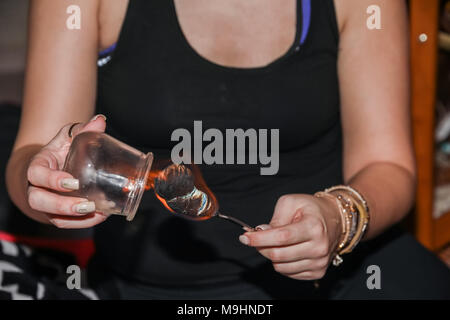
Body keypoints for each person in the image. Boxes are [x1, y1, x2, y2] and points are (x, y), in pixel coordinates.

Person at [5, 0, 450, 299]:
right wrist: (43, 182)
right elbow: (33, 151)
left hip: (342, 273)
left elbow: (387, 165)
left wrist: (337, 216)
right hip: (156, 287)